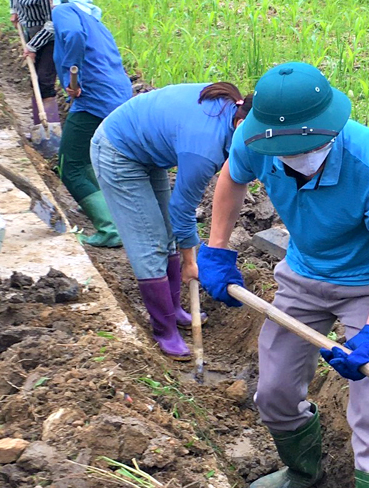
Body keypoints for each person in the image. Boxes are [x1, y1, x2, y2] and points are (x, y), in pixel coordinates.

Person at [199, 62, 369, 488]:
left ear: (329, 129)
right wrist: (217, 248)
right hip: (302, 277)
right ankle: (303, 466)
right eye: (286, 149)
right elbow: (231, 180)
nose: (296, 157)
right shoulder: (256, 139)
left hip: (368, 285)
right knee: (273, 391)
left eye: (308, 147)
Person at [91, 82, 253, 357]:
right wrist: (190, 262)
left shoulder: (233, 114)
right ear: (241, 124)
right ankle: (164, 330)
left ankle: (174, 309)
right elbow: (182, 208)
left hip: (147, 150)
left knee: (166, 232)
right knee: (150, 243)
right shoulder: (204, 148)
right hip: (117, 150)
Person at [49, 0, 132, 248]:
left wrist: (73, 72)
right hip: (118, 96)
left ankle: (110, 228)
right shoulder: (95, 20)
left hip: (94, 99)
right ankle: (114, 218)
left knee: (69, 165)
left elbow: (72, 36)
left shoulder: (65, 10)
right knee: (89, 161)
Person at [6, 0, 59, 138]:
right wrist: (14, 10)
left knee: (44, 80)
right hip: (29, 32)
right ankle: (38, 126)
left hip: (49, 37)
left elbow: (52, 24)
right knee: (34, 78)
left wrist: (33, 46)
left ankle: (51, 130)